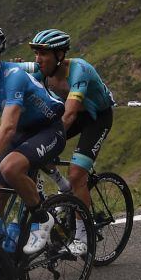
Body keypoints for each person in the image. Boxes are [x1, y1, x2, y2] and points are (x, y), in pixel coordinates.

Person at [0, 24, 68, 260]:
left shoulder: (13, 77)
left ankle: (42, 218)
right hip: (22, 133)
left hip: (48, 130)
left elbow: (7, 127)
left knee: (11, 167)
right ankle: (1, 263)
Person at [20, 28, 115, 251]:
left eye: (44, 53)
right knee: (33, 148)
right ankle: (65, 189)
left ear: (60, 55)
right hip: (73, 113)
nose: (38, 59)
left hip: (96, 118)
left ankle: (83, 237)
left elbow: (70, 115)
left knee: (76, 173)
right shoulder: (42, 69)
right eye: (36, 53)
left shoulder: (79, 70)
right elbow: (12, 73)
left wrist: (48, 142)